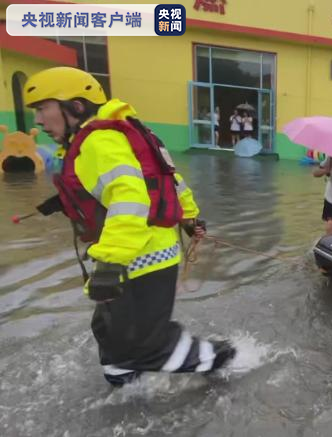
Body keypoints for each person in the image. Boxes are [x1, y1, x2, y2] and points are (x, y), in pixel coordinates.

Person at [24, 67, 236, 387]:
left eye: (43, 108)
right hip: (135, 250)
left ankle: (219, 358)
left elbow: (131, 198)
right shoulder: (116, 135)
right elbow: (169, 178)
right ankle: (124, 383)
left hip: (139, 255)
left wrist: (110, 262)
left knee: (143, 342)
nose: (38, 121)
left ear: (76, 106)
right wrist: (190, 218)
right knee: (109, 330)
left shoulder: (98, 142)